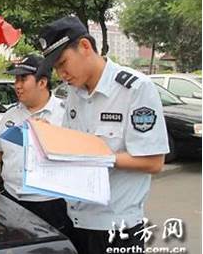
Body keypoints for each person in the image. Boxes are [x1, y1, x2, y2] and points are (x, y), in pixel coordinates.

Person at [36, 16, 169, 254]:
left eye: (63, 63)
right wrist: (47, 136)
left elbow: (154, 161)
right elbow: (73, 144)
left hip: (118, 228)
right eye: (56, 68)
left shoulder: (136, 89)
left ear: (85, 47)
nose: (61, 74)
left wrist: (97, 156)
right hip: (76, 219)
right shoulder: (75, 92)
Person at [0, 54, 72, 236]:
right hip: (10, 198)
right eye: (16, 79)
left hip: (48, 204)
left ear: (42, 83)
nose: (17, 85)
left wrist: (53, 138)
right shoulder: (11, 114)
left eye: (23, 79)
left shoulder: (65, 115)